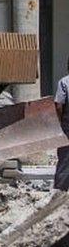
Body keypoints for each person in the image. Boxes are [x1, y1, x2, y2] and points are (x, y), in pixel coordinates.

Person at [54, 56, 69, 192]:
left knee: (65, 160)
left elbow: (59, 105)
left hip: (67, 127)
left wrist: (59, 123)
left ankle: (60, 192)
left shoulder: (64, 82)